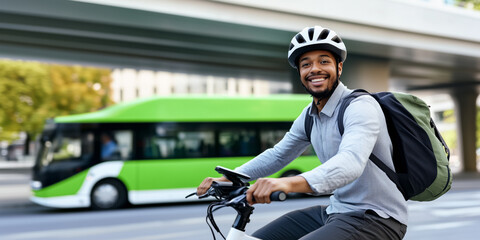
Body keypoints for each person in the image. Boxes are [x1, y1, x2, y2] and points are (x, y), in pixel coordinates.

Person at [197, 26, 407, 240]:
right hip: (337, 211)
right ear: (300, 72)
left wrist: (287, 183)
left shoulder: (360, 106)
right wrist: (230, 178)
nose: (314, 69)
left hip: (377, 217)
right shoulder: (309, 116)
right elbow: (279, 154)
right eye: (306, 64)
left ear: (339, 67)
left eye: (324, 61)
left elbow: (351, 162)